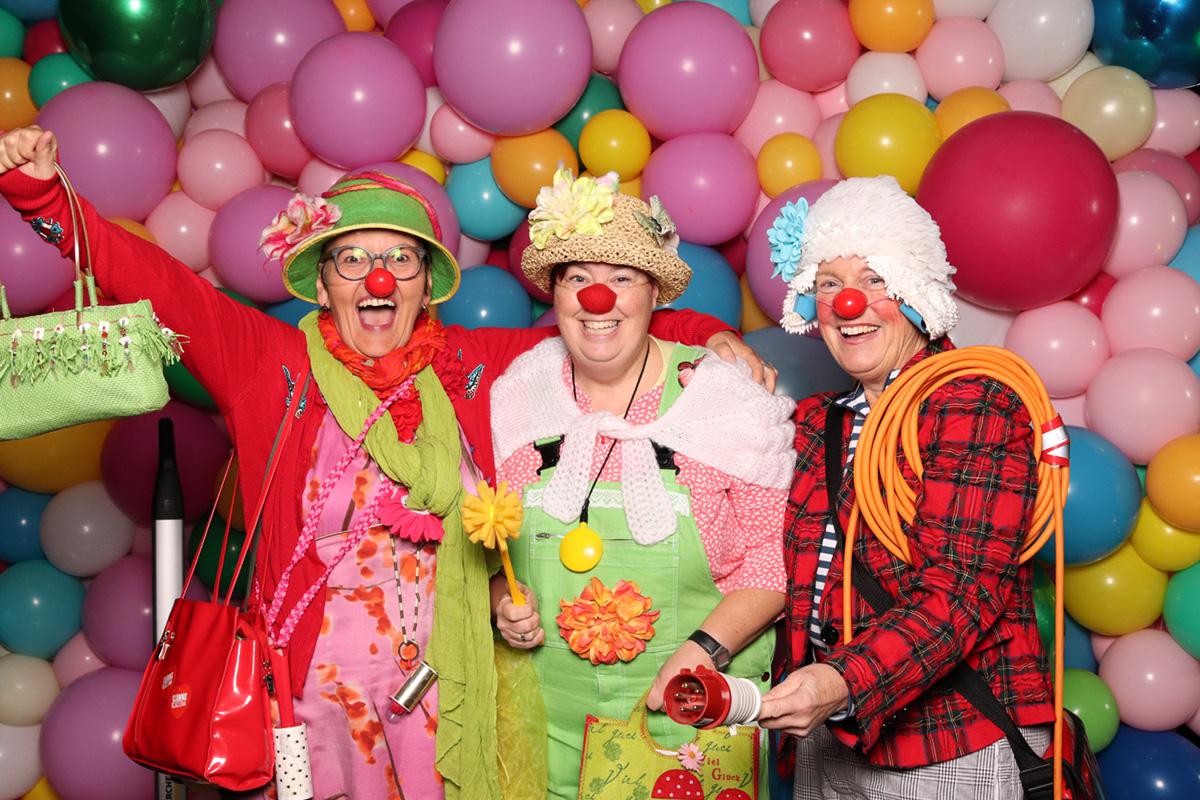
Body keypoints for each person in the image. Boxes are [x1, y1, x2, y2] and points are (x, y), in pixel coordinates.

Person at [0, 127, 767, 800]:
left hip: (445, 690)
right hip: (311, 697)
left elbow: (596, 328)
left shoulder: (471, 366)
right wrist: (43, 197)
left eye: (401, 259)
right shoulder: (268, 362)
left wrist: (706, 334)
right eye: (354, 260)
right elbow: (159, 284)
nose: (379, 280)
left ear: (428, 284)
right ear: (322, 281)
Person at [488, 169, 797, 799]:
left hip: (692, 725)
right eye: (577, 278)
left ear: (654, 292)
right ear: (555, 294)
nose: (597, 299)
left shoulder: (723, 396)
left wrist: (705, 649)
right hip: (543, 736)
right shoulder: (519, 394)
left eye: (622, 278)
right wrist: (501, 602)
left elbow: (771, 564)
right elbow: (493, 551)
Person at [755, 176, 1055, 799]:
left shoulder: (972, 402)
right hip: (824, 735)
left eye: (874, 280)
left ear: (916, 291)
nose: (848, 303)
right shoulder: (817, 423)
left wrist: (838, 681)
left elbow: (962, 591)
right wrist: (713, 339)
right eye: (829, 284)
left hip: (950, 737)